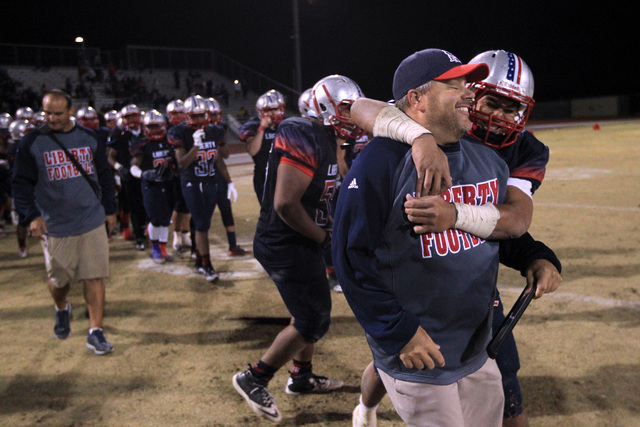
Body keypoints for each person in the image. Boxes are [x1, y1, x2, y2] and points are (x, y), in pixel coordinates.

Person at [334, 48, 546, 426]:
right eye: (461, 86)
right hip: (419, 333)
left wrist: (534, 254)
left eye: (511, 108)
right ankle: (365, 408)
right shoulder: (385, 159)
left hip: (472, 331)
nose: (497, 116)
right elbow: (351, 257)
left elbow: (509, 224)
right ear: (418, 99)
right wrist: (420, 138)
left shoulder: (499, 157)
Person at [232, 75, 365, 423]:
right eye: (347, 109)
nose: (354, 117)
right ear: (325, 109)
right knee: (313, 319)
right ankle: (255, 377)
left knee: (306, 309)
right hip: (285, 241)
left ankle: (302, 376)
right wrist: (325, 239)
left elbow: (341, 181)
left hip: (304, 238)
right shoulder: (304, 133)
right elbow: (286, 204)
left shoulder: (331, 138)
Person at [11, 89, 117, 355]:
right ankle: (61, 307)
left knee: (94, 276)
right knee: (60, 281)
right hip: (55, 224)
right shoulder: (32, 142)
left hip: (91, 219)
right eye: (47, 113)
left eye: (58, 113)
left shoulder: (89, 137)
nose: (52, 118)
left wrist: (110, 209)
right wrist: (31, 216)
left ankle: (95, 331)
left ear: (71, 111)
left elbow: (103, 174)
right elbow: (21, 184)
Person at [167, 95, 236, 283]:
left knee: (203, 223)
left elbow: (222, 157)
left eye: (202, 115)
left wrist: (229, 182)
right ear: (186, 116)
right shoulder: (178, 132)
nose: (199, 120)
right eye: (194, 116)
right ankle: (207, 265)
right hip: (192, 182)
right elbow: (182, 163)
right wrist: (196, 146)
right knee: (202, 224)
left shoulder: (214, 130)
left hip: (211, 181)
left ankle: (198, 258)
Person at [129, 109, 177, 264]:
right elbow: (133, 166)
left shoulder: (169, 141)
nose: (155, 130)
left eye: (158, 126)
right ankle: (155, 248)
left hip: (168, 185)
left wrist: (174, 171)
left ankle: (163, 248)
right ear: (144, 127)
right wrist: (144, 175)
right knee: (155, 219)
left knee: (165, 219)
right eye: (152, 126)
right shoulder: (142, 144)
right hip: (151, 186)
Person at [205, 97, 247, 257]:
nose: (216, 117)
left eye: (217, 114)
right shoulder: (194, 132)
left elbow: (225, 155)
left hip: (218, 177)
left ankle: (232, 245)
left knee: (226, 210)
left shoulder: (218, 130)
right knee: (204, 216)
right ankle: (198, 249)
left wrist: (217, 140)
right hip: (203, 178)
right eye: (212, 114)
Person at [107, 104, 148, 250]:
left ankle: (145, 231)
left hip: (146, 174)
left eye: (133, 116)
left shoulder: (147, 130)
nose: (131, 119)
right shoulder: (119, 133)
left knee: (148, 205)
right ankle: (139, 237)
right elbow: (110, 157)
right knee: (134, 206)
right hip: (129, 175)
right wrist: (119, 168)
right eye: (127, 117)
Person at [238, 90, 286, 202]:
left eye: (277, 109)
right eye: (269, 110)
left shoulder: (286, 125)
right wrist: (261, 128)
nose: (274, 113)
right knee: (269, 214)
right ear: (260, 112)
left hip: (285, 176)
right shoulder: (253, 126)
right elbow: (252, 151)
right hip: (264, 177)